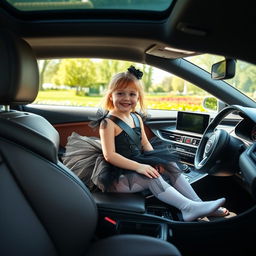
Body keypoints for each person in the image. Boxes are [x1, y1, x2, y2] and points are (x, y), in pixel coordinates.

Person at [92, 65, 228, 222]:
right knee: (152, 177)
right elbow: (110, 156)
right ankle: (187, 208)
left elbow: (145, 144)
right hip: (116, 177)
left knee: (169, 164)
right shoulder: (108, 123)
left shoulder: (136, 117)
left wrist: (155, 161)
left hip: (135, 167)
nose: (127, 98)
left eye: (132, 94)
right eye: (120, 93)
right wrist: (140, 166)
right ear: (111, 96)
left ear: (138, 97)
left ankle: (198, 204)